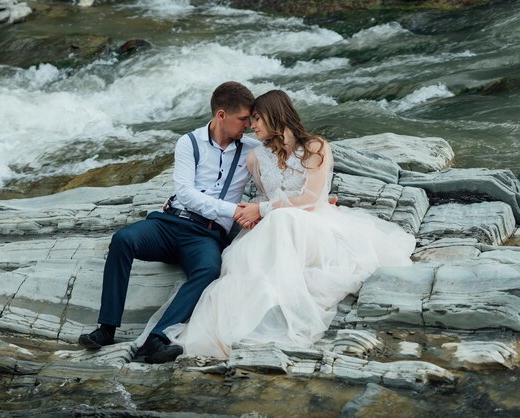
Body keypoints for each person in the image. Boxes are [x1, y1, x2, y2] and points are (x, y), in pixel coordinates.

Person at [162, 90, 417, 359]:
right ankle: (240, 324)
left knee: (283, 219)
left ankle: (276, 309)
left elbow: (308, 198)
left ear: (275, 116)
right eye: (250, 120)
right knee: (248, 258)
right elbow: (264, 197)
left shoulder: (315, 147)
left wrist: (263, 209)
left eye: (258, 118)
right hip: (280, 226)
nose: (252, 126)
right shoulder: (255, 158)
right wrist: (258, 212)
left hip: (314, 226)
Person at [78, 81, 261, 363]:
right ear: (221, 115)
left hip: (206, 235)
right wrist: (233, 209)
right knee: (123, 239)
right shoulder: (188, 143)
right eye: (243, 119)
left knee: (209, 269)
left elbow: (286, 157)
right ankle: (106, 329)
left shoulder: (251, 149)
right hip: (169, 223)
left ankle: (158, 339)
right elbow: (186, 194)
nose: (248, 125)